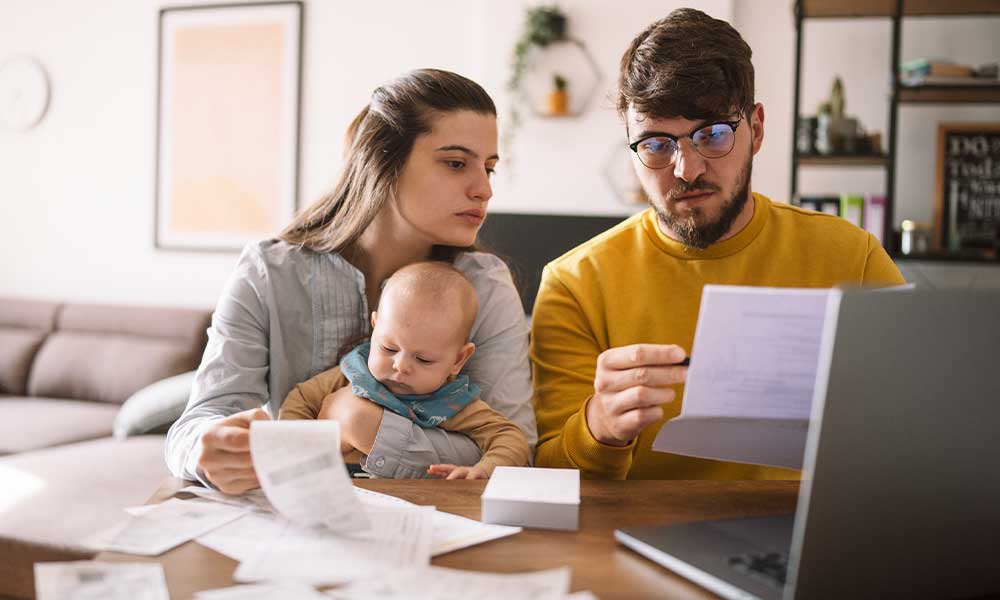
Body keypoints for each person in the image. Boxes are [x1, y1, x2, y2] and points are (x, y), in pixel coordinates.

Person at [530, 8, 905, 480]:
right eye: (656, 144)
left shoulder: (854, 258)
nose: (687, 169)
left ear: (758, 130)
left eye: (712, 134)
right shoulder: (574, 284)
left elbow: (920, 429)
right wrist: (599, 427)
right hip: (634, 542)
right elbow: (547, 478)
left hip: (807, 537)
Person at [165, 69, 536, 493]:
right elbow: (195, 425)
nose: (484, 189)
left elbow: (517, 448)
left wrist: (363, 424)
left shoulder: (485, 286)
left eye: (489, 168)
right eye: (456, 163)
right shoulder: (268, 273)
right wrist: (205, 450)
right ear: (382, 163)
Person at [279, 261, 530, 479]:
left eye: (423, 359)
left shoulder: (452, 403)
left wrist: (484, 470)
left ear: (459, 359)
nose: (400, 366)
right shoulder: (353, 373)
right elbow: (300, 399)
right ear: (375, 327)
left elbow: (511, 439)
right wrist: (295, 453)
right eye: (388, 348)